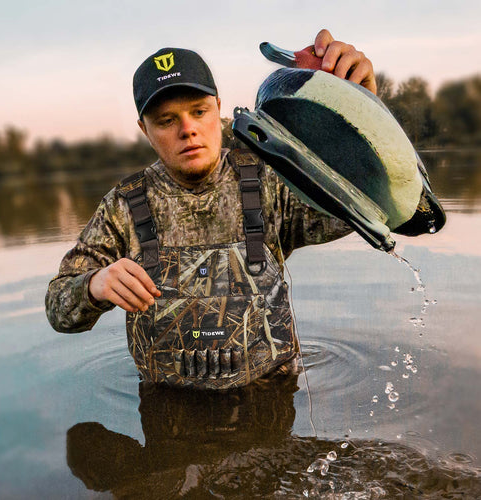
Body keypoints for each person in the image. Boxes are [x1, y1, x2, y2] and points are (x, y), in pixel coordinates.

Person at [46, 29, 377, 389]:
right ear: (144, 130)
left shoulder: (272, 183)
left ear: (218, 108)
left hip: (271, 406)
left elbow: (367, 207)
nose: (188, 130)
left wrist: (358, 107)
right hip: (169, 412)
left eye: (198, 111)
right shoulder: (122, 206)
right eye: (166, 120)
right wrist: (94, 285)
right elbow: (58, 309)